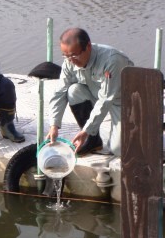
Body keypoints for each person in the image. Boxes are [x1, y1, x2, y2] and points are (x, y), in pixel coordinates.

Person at [46, 28, 134, 156]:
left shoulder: (112, 60)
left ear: (88, 46)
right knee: (73, 91)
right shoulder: (70, 61)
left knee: (119, 150)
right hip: (97, 94)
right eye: (66, 56)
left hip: (122, 101)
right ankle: (93, 141)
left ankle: (137, 129)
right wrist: (54, 125)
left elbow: (106, 99)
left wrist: (86, 130)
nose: (71, 61)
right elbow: (59, 92)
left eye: (74, 55)